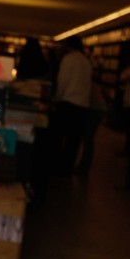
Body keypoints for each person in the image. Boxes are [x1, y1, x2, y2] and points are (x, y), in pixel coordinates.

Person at [48, 35, 92, 176]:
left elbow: (63, 81)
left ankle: (56, 166)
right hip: (83, 105)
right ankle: (66, 168)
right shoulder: (86, 62)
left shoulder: (68, 59)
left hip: (68, 104)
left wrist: (56, 98)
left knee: (59, 137)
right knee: (74, 140)